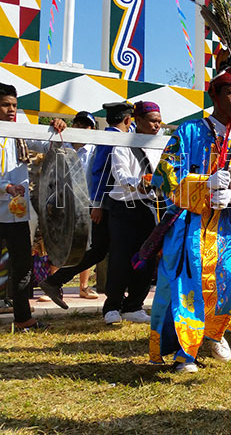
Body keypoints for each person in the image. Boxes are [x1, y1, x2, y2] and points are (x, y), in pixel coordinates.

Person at [148, 59, 231, 372]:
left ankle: (214, 332)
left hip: (224, 231)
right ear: (214, 96)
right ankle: (185, 355)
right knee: (188, 288)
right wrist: (202, 185)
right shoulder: (189, 132)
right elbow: (164, 179)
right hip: (188, 228)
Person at [39, 106, 130, 309]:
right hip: (92, 205)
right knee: (100, 249)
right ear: (128, 119)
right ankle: (119, 299)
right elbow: (99, 174)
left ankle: (57, 282)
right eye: (79, 124)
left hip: (97, 205)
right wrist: (97, 205)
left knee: (98, 250)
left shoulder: (102, 141)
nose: (82, 128)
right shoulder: (109, 139)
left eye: (87, 125)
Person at [0, 82, 66, 331]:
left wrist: (56, 127)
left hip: (16, 213)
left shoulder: (20, 132)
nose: (11, 109)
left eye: (14, 105)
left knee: (22, 267)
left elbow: (49, 145)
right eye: (6, 104)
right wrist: (5, 188)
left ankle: (23, 319)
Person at [102, 101, 163, 325]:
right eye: (152, 121)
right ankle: (112, 306)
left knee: (146, 257)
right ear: (137, 121)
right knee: (120, 257)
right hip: (124, 206)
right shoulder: (123, 144)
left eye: (159, 121)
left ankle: (134, 305)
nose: (157, 126)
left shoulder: (160, 145)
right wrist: (138, 183)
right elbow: (120, 174)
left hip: (149, 206)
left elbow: (164, 172)